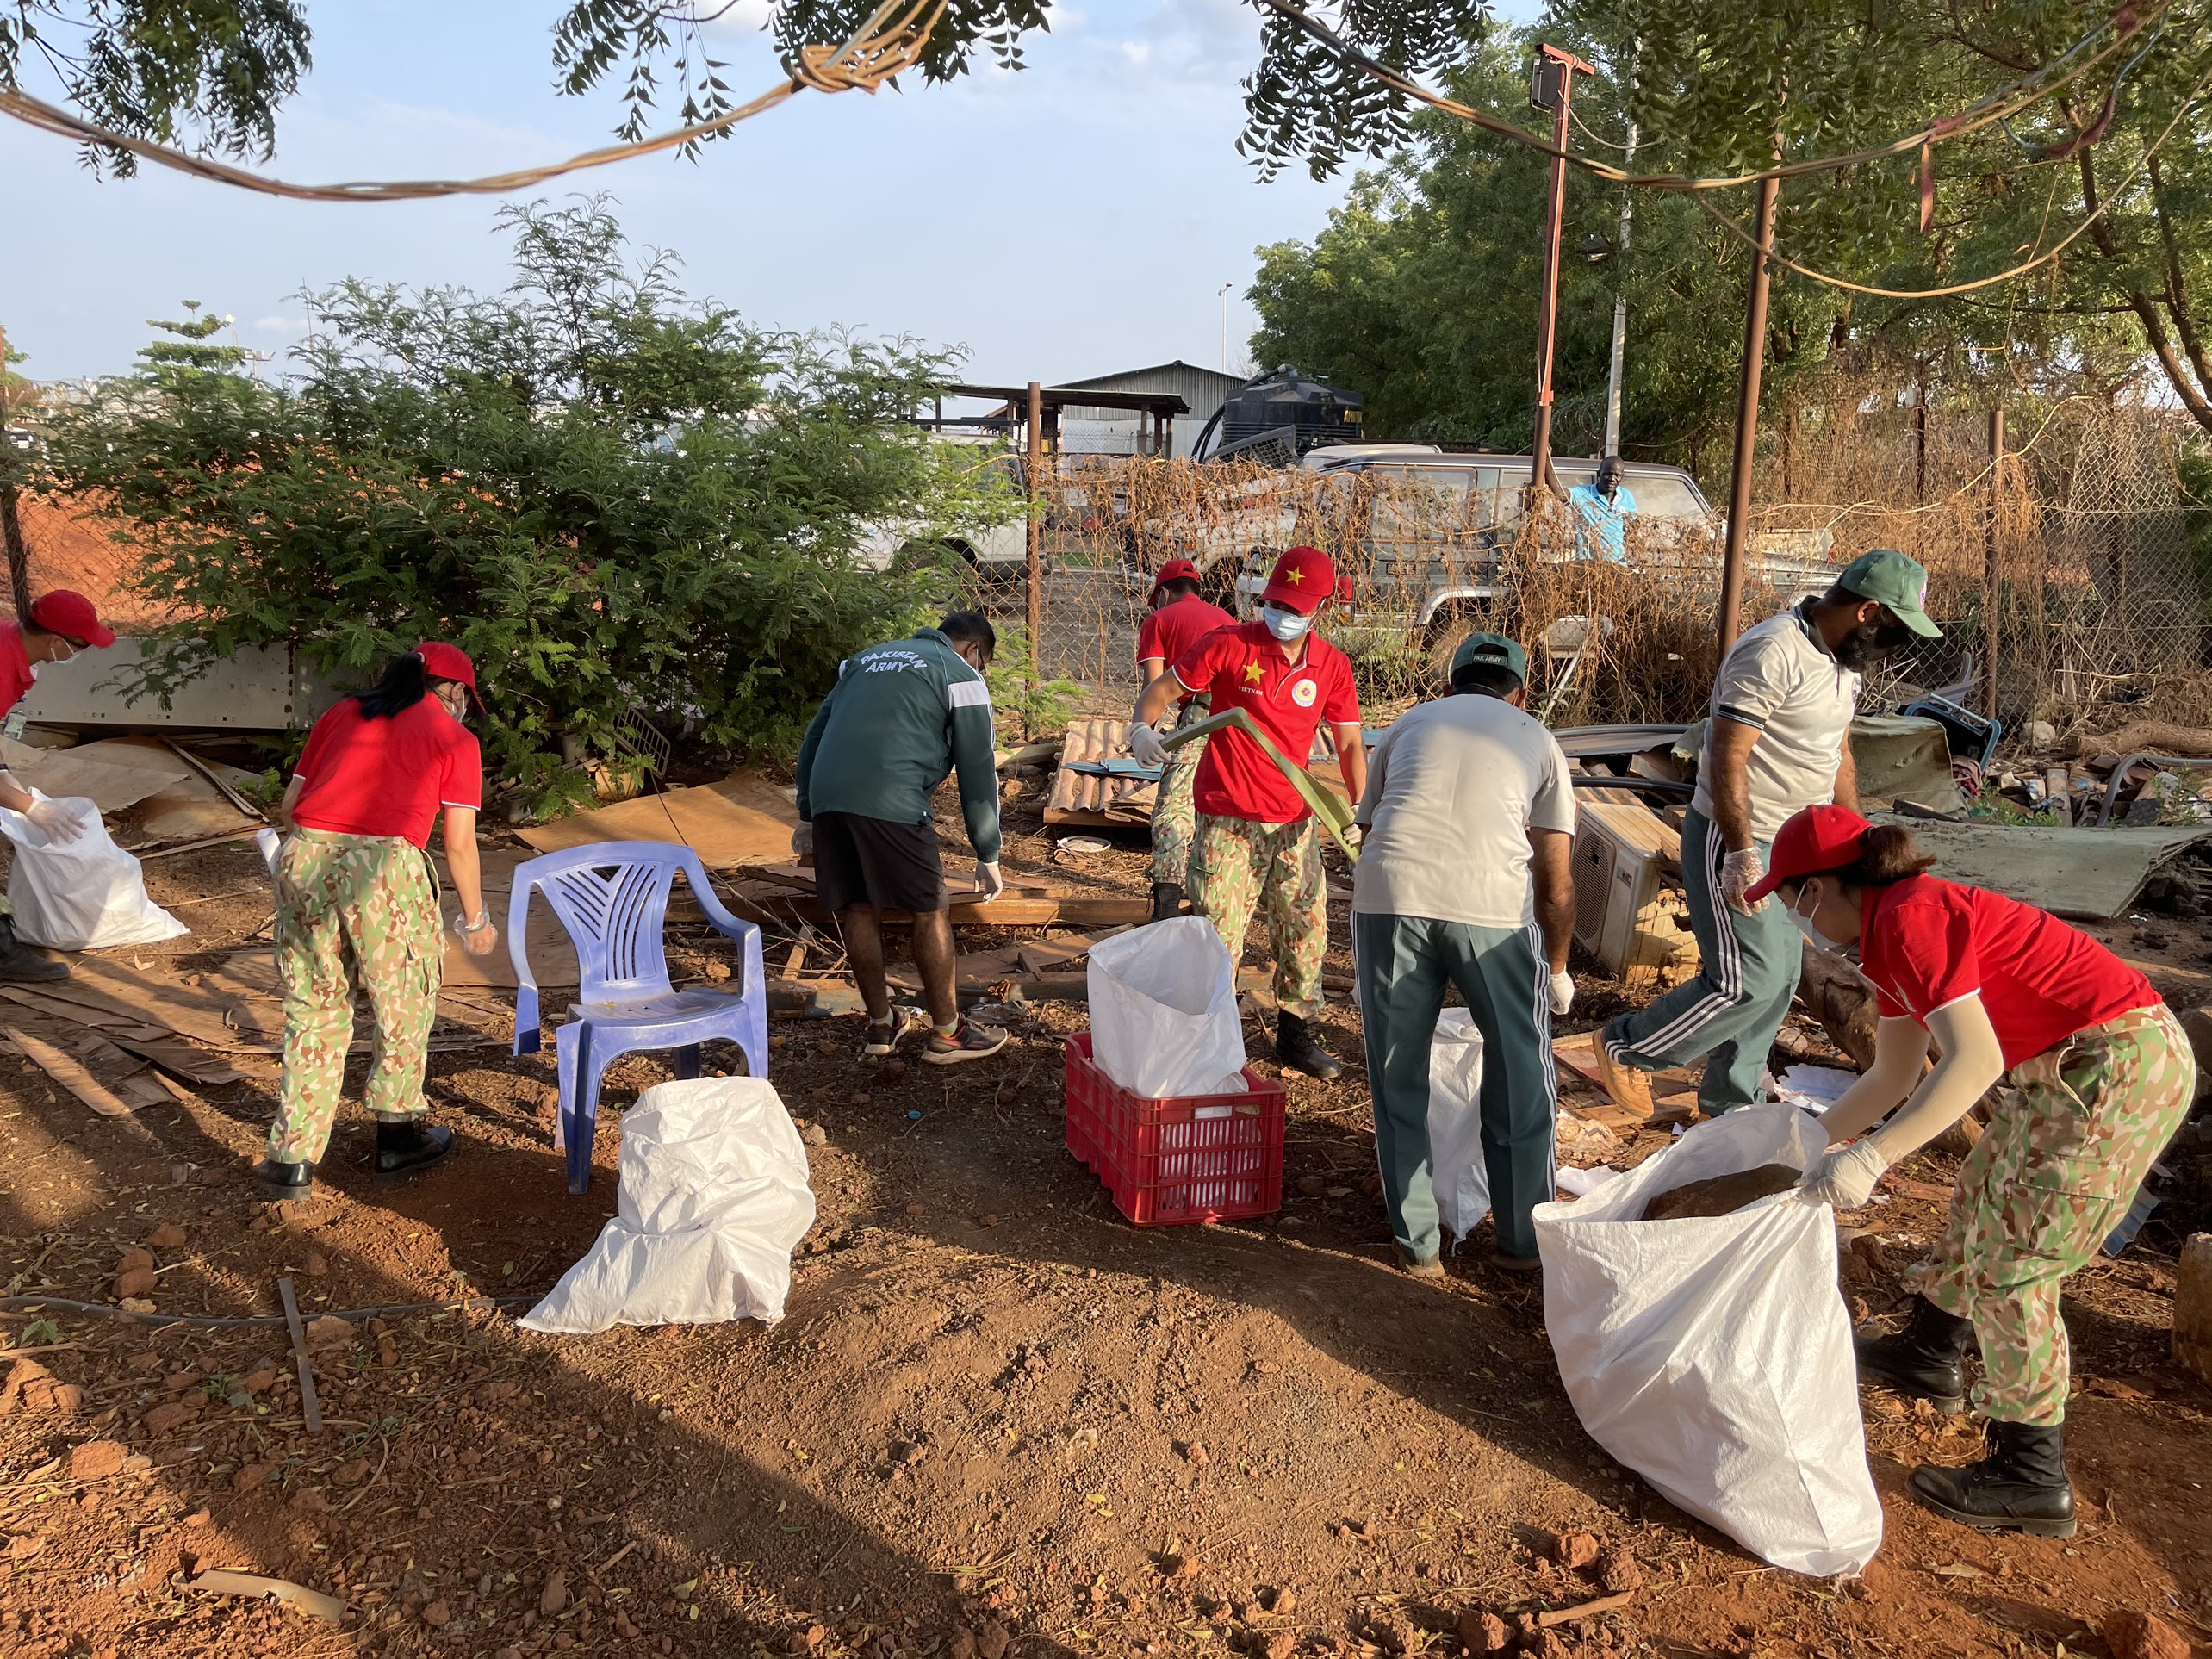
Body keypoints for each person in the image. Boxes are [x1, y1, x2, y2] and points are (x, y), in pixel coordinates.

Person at [1766, 806, 2196, 1538]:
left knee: (2017, 1262)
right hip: (2064, 1069)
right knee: (1982, 1195)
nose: (1791, 915)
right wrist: (1801, 1141)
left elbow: (1975, 1061)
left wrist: (1872, 1157)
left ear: (1821, 888)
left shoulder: (1910, 919)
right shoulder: (1885, 934)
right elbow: (1894, 1071)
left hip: (2116, 1066)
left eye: (1790, 898)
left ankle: (2031, 1475)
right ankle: (1930, 1353)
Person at [1596, 550, 1940, 1118]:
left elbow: (1838, 755)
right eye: (1894, 631)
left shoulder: (1841, 666)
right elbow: (1727, 755)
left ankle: (1733, 1103)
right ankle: (1629, 1047)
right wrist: (1738, 852)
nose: (1894, 646)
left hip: (1794, 847)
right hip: (1738, 837)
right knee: (1744, 980)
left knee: (1779, 981)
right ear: (1868, 611)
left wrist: (1856, 842)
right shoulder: (1774, 650)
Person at [1352, 634, 1576, 1276]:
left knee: (1397, 1074)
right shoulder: (1536, 737)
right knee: (1521, 1075)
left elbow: (1369, 832)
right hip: (1493, 912)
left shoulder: (1407, 724)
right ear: (1520, 692)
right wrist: (1556, 969)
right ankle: (1522, 1247)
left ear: (1449, 685)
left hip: (1392, 900)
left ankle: (1417, 1247)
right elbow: (1556, 882)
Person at [257, 643, 499, 1197]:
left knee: (314, 1004)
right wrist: (476, 917)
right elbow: (459, 845)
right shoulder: (454, 739)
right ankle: (397, 1136)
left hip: (306, 856)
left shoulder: (342, 713)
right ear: (455, 691)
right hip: (385, 868)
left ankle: (291, 1159)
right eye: (465, 696)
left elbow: (291, 804)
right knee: (404, 998)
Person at [1131, 544, 1365, 1080]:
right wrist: (1142, 725)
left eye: (1296, 608)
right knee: (1219, 934)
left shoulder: (1331, 666)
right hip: (1227, 821)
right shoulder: (1230, 645)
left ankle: (1295, 1033)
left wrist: (1359, 812)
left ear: (1321, 610)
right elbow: (1163, 689)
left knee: (1305, 927)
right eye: (1277, 603)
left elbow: (1350, 744)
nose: (1283, 615)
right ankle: (1215, 1035)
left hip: (1293, 822)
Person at [793, 611, 1010, 1066]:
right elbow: (977, 768)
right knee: (931, 910)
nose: (981, 670)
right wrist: (987, 851)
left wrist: (809, 813)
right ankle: (948, 1033)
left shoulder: (864, 661)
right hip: (893, 798)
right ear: (973, 650)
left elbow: (814, 737)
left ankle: (880, 1025)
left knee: (859, 907)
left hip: (831, 796)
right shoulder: (961, 674)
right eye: (983, 662)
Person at [0, 591, 120, 983]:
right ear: (55, 641)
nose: (82, 652)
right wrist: (30, 807)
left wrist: (3, 773)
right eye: (81, 645)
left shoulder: (12, 651)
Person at [1127, 558, 1234, 923]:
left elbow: (1155, 687)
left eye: (1157, 597)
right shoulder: (1227, 618)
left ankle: (1168, 907)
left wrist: (1145, 734)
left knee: (1173, 806)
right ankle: (1216, 897)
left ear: (1166, 593)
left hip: (1201, 712)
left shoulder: (1159, 620)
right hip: (1239, 718)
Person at [1567, 457, 1637, 565]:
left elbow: (1631, 529)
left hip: (1618, 566)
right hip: (1589, 566)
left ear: (1622, 477)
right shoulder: (1583, 493)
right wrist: (1545, 459)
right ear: (1599, 473)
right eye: (1607, 474)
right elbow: (1559, 493)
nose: (1612, 479)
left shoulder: (1626, 497)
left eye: (1617, 475)